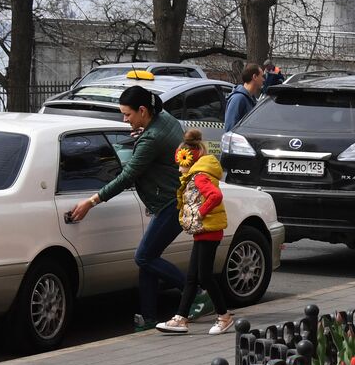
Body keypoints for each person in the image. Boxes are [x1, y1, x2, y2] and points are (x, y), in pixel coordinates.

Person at [69, 83, 186, 331]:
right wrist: (141, 136)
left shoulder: (151, 138)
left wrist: (92, 201)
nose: (125, 119)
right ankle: (149, 317)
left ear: (143, 110)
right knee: (148, 258)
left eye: (128, 114)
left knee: (143, 256)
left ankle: (196, 291)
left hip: (169, 202)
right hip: (173, 196)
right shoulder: (163, 118)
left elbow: (127, 176)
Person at [156, 130, 236, 335]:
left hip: (209, 230)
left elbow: (215, 196)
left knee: (205, 276)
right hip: (205, 231)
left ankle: (224, 317)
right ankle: (181, 318)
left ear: (189, 157)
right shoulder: (200, 172)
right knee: (192, 277)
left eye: (181, 161)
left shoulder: (199, 176)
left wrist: (199, 213)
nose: (179, 167)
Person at [225, 63, 265, 133]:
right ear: (254, 77)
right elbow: (230, 128)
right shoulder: (238, 98)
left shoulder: (252, 99)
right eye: (262, 76)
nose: (263, 79)